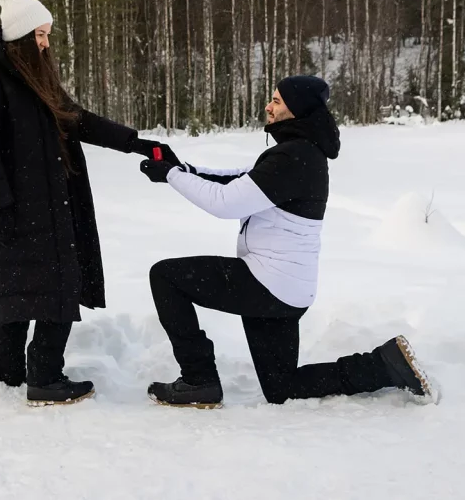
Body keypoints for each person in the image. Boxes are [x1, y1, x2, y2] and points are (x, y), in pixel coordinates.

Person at [138, 76, 436, 408]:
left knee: (166, 277)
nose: (268, 105)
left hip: (267, 283)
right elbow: (238, 179)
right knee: (281, 388)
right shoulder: (298, 152)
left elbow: (225, 202)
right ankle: (382, 365)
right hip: (285, 289)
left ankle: (199, 380)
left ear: (297, 110)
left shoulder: (295, 157)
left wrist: (170, 175)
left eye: (277, 101)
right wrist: (182, 167)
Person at [0, 0, 168, 406]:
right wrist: (0, 208)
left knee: (38, 286)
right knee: (30, 289)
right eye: (39, 34)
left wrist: (136, 142)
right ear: (18, 35)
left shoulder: (37, 78)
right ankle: (43, 377)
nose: (46, 43)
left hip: (50, 203)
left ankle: (10, 378)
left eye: (48, 34)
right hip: (12, 208)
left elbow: (77, 119)